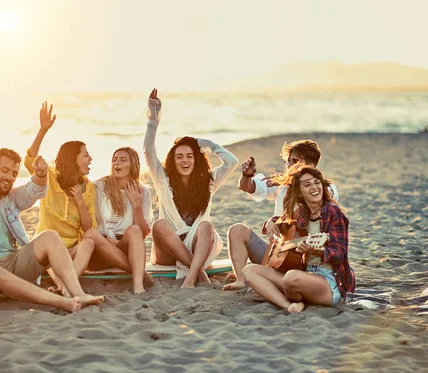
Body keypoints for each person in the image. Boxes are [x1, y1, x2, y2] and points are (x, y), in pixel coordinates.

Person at [0, 129, 104, 312]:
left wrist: (40, 174)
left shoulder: (12, 199)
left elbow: (35, 190)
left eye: (14, 174)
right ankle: (61, 302)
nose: (9, 177)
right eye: (5, 170)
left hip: (11, 266)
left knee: (49, 236)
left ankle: (78, 293)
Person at [25, 103, 149, 294]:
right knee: (88, 240)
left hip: (79, 251)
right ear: (73, 159)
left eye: (123, 160)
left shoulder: (89, 188)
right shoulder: (52, 178)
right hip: (53, 249)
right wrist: (42, 130)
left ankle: (67, 288)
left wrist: (80, 201)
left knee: (99, 238)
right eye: (86, 155)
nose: (91, 159)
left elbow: (88, 227)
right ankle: (68, 287)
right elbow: (29, 159)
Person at [144, 88, 239, 288]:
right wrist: (153, 120)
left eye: (189, 156)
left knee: (207, 226)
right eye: (179, 156)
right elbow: (148, 149)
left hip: (198, 248)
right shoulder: (163, 179)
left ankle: (190, 277)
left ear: (196, 159)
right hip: (168, 252)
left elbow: (232, 162)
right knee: (160, 224)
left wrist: (210, 145)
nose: (185, 160)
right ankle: (199, 273)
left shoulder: (209, 181)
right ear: (173, 160)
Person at [223, 140, 339, 290]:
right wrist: (247, 175)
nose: (289, 166)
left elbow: (307, 213)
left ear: (311, 165)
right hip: (277, 257)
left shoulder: (327, 188)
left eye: (295, 161)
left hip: (305, 262)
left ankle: (258, 274)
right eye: (288, 161)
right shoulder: (282, 186)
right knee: (237, 230)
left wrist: (273, 220)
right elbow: (248, 187)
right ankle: (240, 279)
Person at [241, 166, 354, 313]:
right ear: (299, 192)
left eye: (316, 182)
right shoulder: (303, 211)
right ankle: (289, 305)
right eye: (307, 185)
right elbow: (283, 221)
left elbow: (339, 253)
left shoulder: (333, 211)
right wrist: (270, 222)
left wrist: (316, 251)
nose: (314, 187)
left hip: (330, 281)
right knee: (249, 270)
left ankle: (295, 298)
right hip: (305, 275)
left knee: (290, 278)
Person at [93, 147, 153, 294]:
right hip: (101, 248)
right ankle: (142, 274)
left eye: (123, 160)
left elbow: (143, 233)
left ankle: (138, 286)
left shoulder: (143, 192)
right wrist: (105, 240)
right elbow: (90, 221)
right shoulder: (99, 187)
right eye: (114, 160)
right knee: (92, 235)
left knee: (134, 230)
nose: (116, 163)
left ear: (133, 165)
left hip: (125, 248)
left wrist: (137, 205)